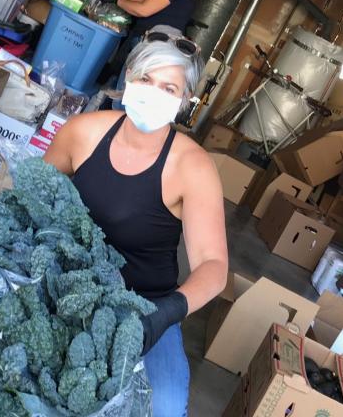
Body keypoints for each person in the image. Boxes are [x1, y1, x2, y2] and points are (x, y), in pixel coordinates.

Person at [44, 35, 228, 416]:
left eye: (169, 88)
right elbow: (34, 196)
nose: (153, 92)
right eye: (145, 79)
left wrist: (164, 315)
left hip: (144, 309)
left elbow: (214, 267)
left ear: (185, 100)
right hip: (66, 283)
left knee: (164, 407)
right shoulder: (82, 132)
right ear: (128, 77)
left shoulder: (193, 167)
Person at [97, 0, 199, 109]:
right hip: (159, 45)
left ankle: (114, 124)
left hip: (153, 45)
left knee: (126, 95)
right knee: (127, 92)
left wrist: (116, 1)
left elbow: (144, 9)